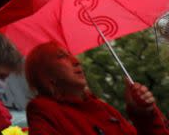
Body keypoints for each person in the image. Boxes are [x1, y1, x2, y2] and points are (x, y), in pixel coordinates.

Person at [25, 41, 169, 135]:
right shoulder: (42, 110)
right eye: (62, 57)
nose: (76, 61)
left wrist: (143, 113)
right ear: (46, 76)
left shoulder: (102, 107)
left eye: (71, 55)